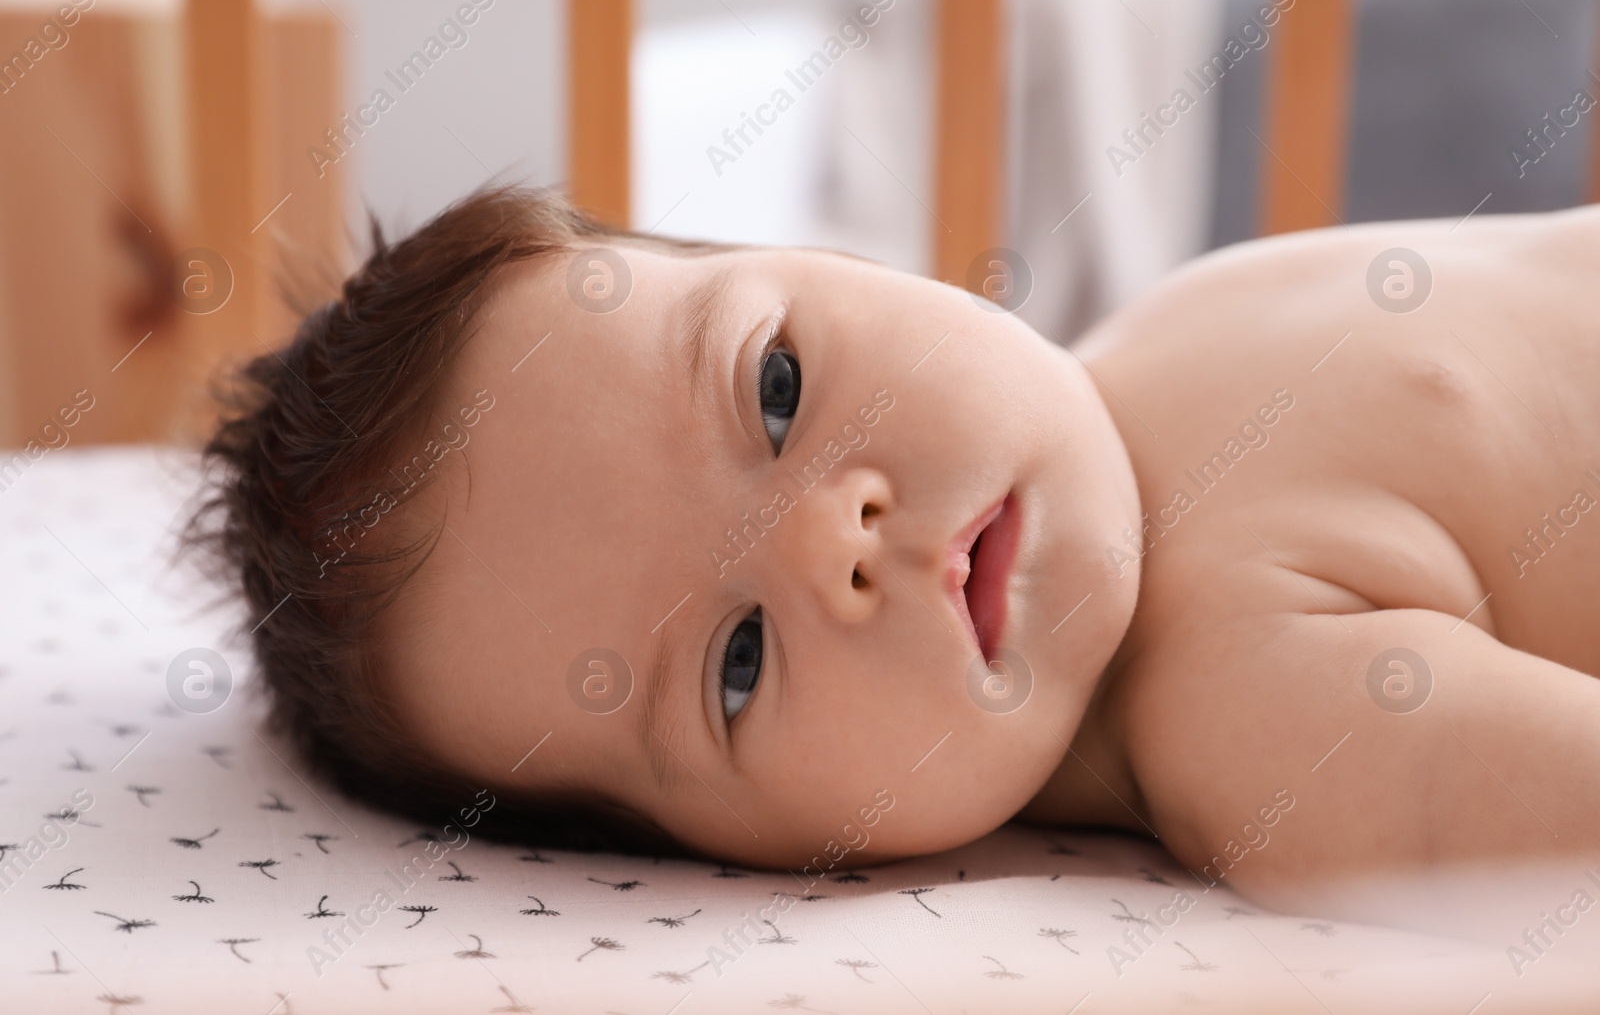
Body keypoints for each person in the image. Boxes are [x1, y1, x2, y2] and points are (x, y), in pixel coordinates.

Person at [189, 185, 1600, 914]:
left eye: (777, 388)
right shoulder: (1251, 722)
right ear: (761, 862)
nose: (831, 542)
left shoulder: (1158, 330)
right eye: (736, 669)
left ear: (841, 264)